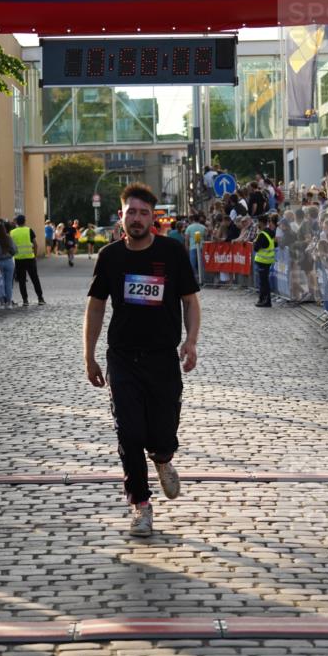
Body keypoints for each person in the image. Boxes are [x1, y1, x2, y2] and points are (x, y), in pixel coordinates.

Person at [83, 182, 201, 538]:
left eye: (143, 213)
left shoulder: (172, 252)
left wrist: (191, 342)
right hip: (123, 359)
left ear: (154, 218)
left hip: (163, 357)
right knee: (129, 433)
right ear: (121, 216)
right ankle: (141, 506)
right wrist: (88, 356)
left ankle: (163, 458)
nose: (136, 218)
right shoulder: (110, 257)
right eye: (130, 212)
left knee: (163, 430)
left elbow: (190, 302)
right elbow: (96, 306)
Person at [10, 214, 45, 306]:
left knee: (21, 280)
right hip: (30, 258)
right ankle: (40, 298)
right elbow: (35, 244)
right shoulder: (29, 230)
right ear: (25, 221)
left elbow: (11, 246)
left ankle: (25, 300)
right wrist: (35, 256)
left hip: (18, 259)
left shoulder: (12, 232)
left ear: (16, 222)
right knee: (35, 279)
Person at [0, 220, 17, 308]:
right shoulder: (9, 238)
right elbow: (14, 250)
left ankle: (2, 302)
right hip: (9, 262)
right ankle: (9, 302)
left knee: (0, 283)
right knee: (9, 283)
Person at [253, 214, 276, 307]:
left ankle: (266, 301)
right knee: (264, 281)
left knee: (263, 282)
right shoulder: (270, 232)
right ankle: (263, 299)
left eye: (258, 222)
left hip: (263, 260)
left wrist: (255, 242)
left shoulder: (262, 234)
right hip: (268, 260)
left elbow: (256, 248)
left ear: (261, 222)